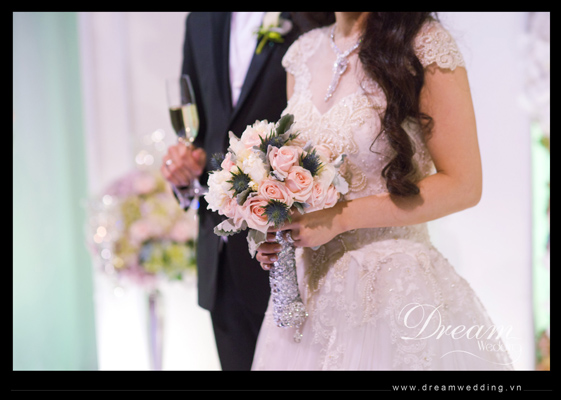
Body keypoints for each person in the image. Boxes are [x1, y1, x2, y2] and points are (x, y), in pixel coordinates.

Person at [253, 12, 514, 370]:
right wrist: (276, 231)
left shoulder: (424, 43)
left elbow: (463, 185)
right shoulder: (302, 52)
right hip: (310, 297)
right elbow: (301, 180)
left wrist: (341, 218)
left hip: (392, 290)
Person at [160, 12, 301, 370]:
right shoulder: (199, 21)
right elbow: (199, 137)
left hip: (290, 248)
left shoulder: (309, 18)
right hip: (221, 261)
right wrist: (187, 171)